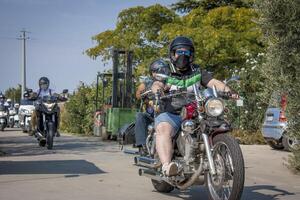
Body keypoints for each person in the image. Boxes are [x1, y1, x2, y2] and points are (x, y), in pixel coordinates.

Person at [151, 36, 238, 176]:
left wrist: (230, 92)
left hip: (195, 111)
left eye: (186, 52)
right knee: (163, 128)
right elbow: (157, 83)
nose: (182, 55)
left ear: (191, 55)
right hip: (172, 113)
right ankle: (167, 166)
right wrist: (157, 89)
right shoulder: (166, 71)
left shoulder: (197, 71)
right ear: (173, 54)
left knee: (216, 123)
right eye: (179, 52)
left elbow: (214, 82)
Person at [134, 59, 171, 155]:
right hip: (152, 114)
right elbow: (138, 94)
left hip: (167, 113)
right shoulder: (147, 82)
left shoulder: (169, 81)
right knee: (140, 116)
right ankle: (142, 146)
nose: (161, 73)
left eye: (164, 70)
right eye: (158, 71)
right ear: (153, 72)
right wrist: (142, 94)